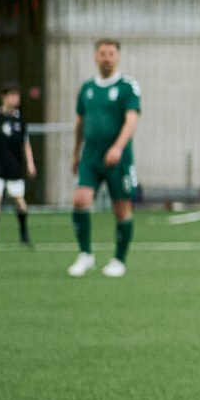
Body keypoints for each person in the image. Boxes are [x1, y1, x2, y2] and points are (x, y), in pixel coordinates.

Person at [68, 39, 141, 279]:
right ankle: (85, 255)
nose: (106, 58)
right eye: (102, 53)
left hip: (118, 158)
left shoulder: (127, 87)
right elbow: (80, 122)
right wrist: (76, 152)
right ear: (95, 57)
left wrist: (118, 147)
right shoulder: (87, 88)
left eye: (111, 53)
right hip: (91, 156)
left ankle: (119, 260)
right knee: (80, 200)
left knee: (121, 208)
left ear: (117, 57)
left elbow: (131, 120)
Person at [0, 82, 35, 248]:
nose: (16, 99)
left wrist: (30, 163)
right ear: (4, 97)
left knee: (18, 200)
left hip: (14, 166)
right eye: (12, 95)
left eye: (17, 95)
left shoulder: (20, 119)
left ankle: (24, 235)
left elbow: (26, 143)